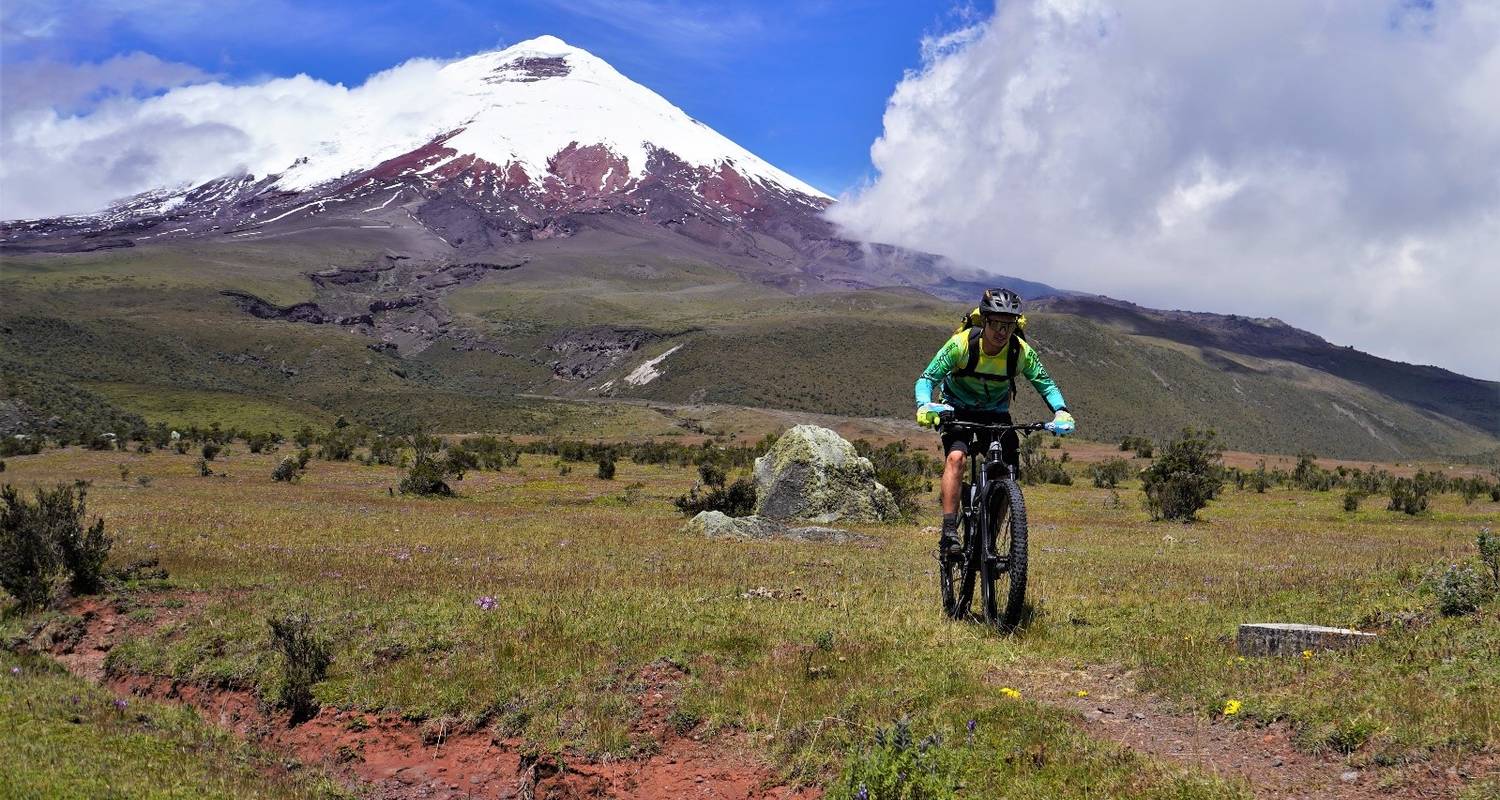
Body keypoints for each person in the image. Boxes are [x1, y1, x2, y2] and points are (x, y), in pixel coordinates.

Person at [914, 288, 1075, 560]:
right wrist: (924, 405)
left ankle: (990, 531)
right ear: (985, 321)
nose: (1002, 331)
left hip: (996, 414)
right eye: (997, 324)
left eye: (1009, 325)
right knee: (956, 458)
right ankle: (949, 531)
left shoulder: (1019, 352)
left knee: (1007, 472)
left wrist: (1061, 411)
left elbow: (1046, 384)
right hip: (957, 409)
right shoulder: (962, 344)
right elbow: (927, 379)